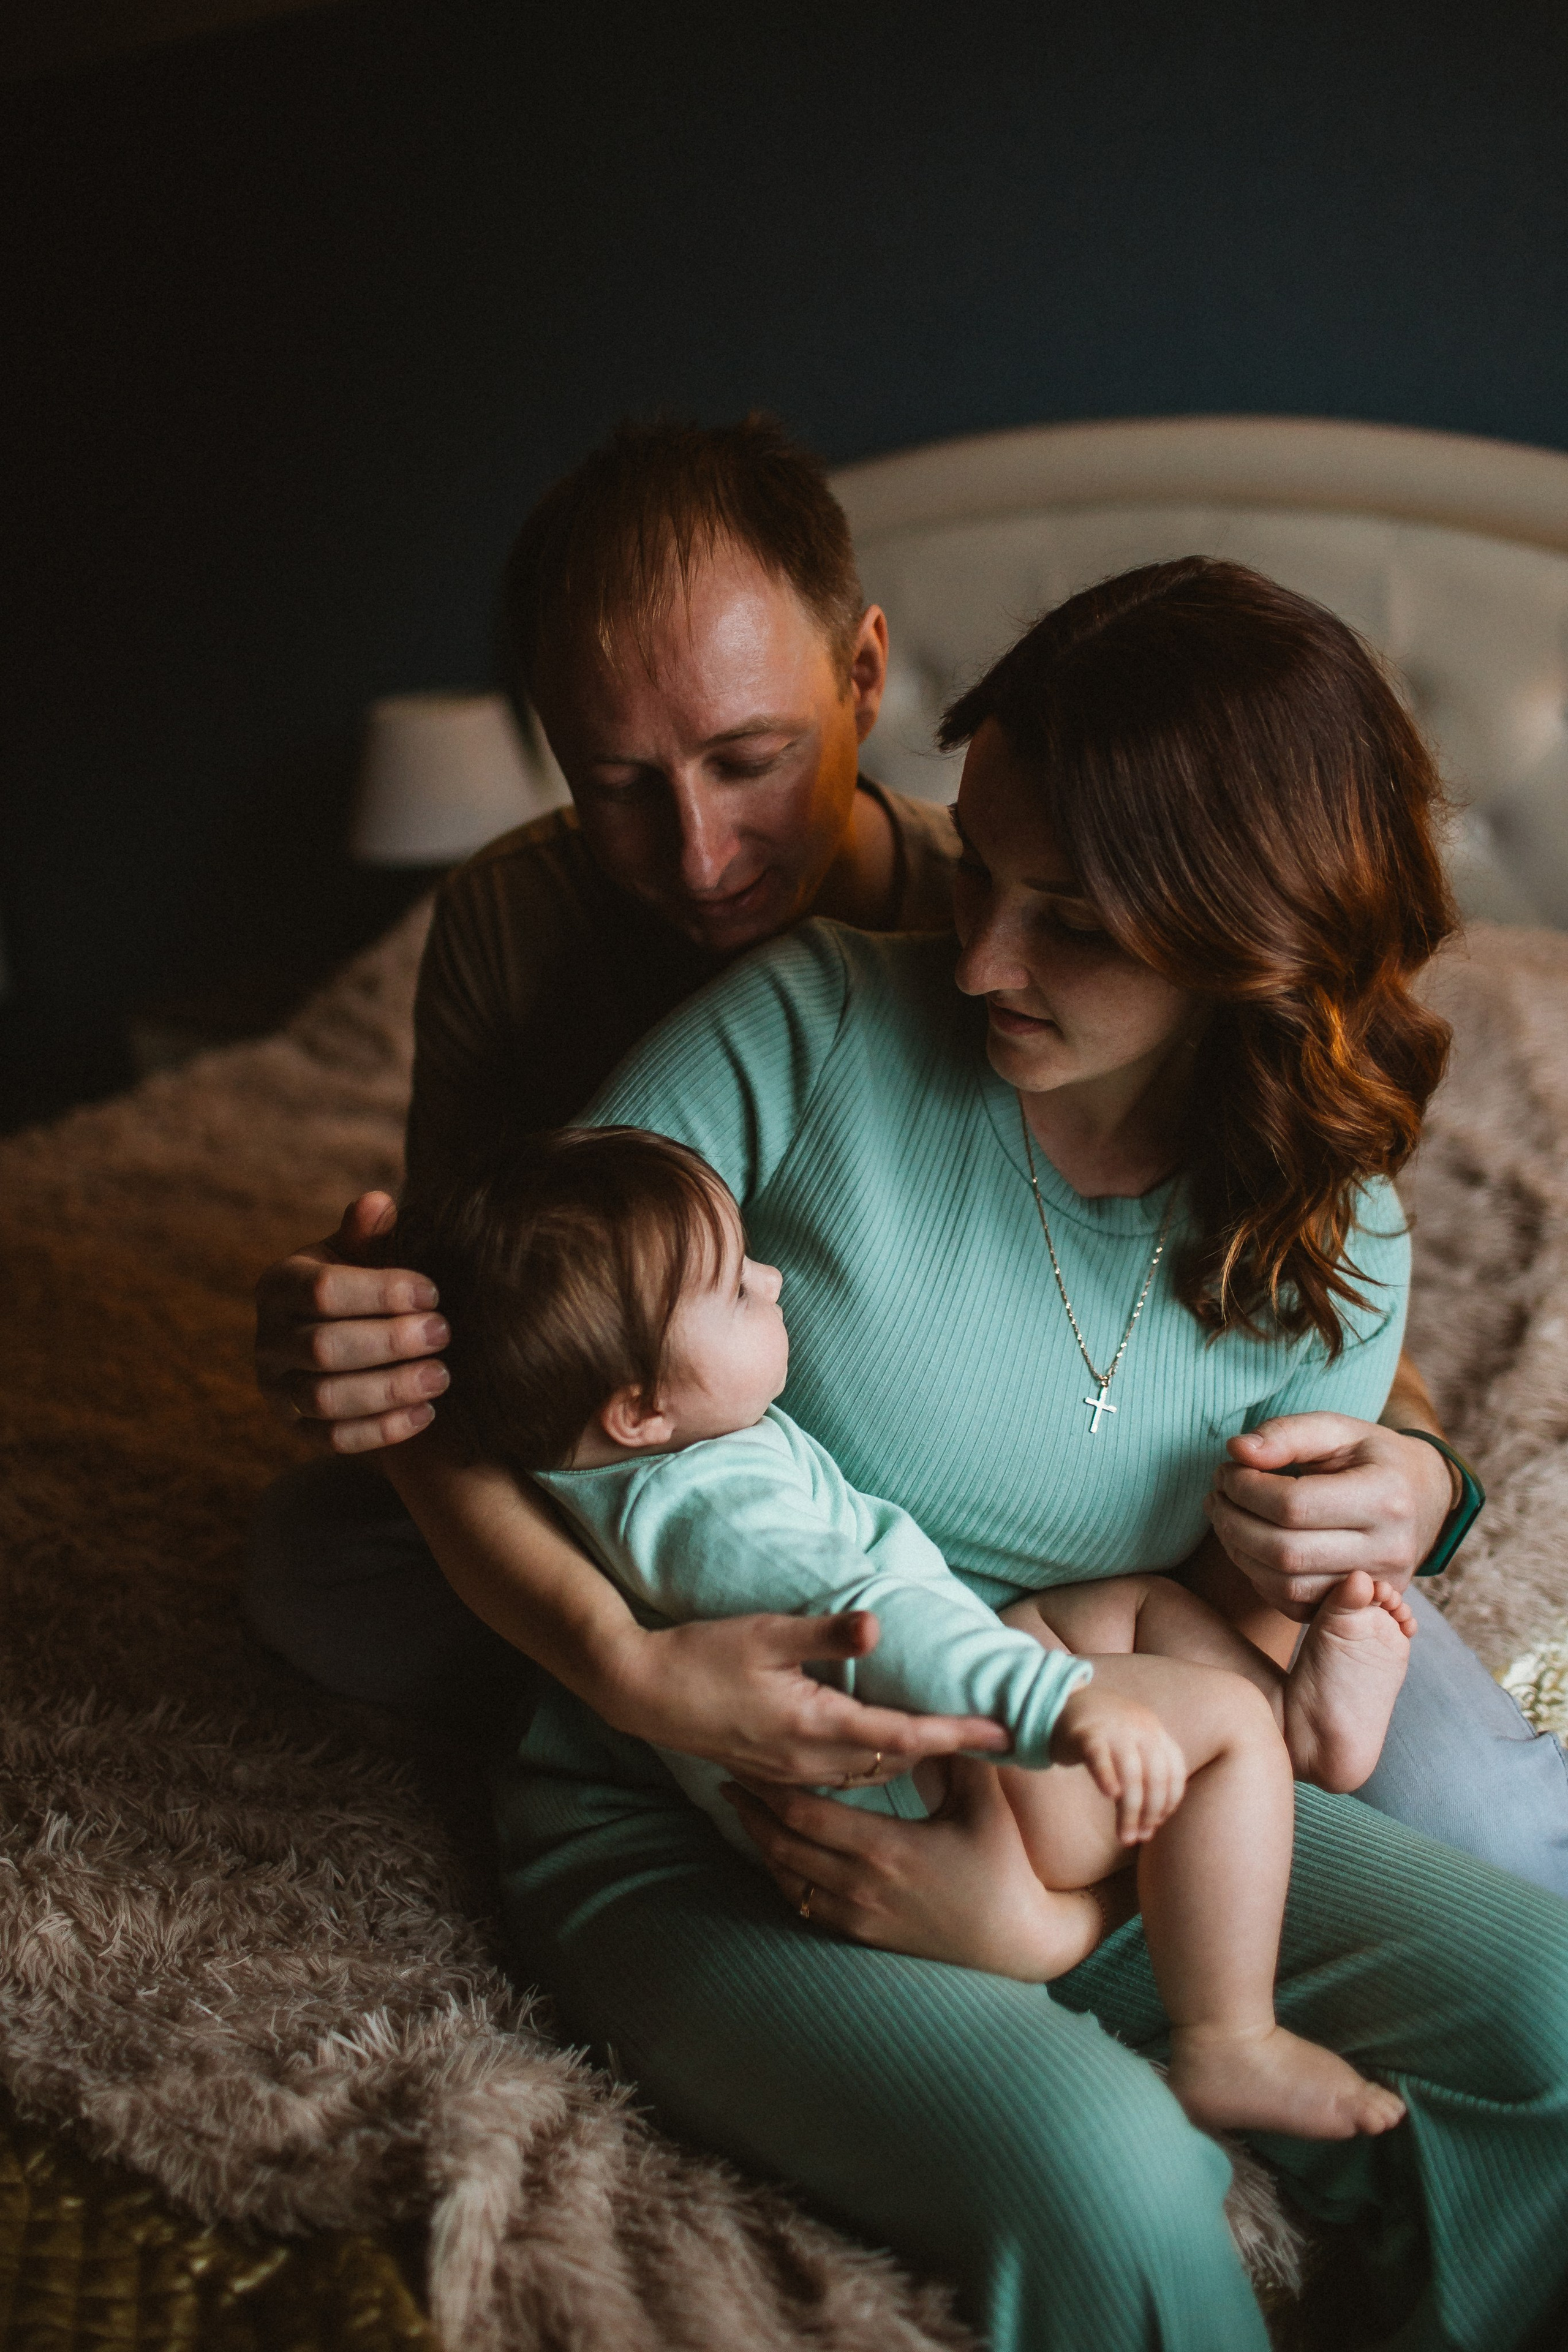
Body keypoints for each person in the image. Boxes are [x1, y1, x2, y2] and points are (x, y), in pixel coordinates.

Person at [305, 554, 1568, 2352]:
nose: (978, 958)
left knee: (1553, 2013)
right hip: (734, 1814)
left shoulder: (1333, 1231)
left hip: (1085, 1792)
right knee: (1110, 2178)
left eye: (1075, 921)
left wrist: (1046, 1916)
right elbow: (485, 1382)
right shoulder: (803, 1025)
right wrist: (626, 1667)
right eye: (979, 868)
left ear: (1248, 941)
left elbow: (1218, 1649)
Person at [250, 415, 1568, 1897]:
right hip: (684, 1455)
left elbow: (1296, 1306)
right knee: (316, 1573)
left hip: (1073, 1540)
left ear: (863, 678)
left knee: (1510, 1784)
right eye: (613, 780)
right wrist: (381, 1362)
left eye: (751, 760)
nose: (696, 852)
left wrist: (1425, 1482)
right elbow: (480, 1349)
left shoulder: (1033, 873)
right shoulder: (522, 928)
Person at [399, 1118, 1417, 2144]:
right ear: (640, 1409)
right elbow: (882, 1625)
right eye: (736, 1290)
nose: (777, 1280)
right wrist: (1055, 1707)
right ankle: (1228, 2038)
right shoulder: (722, 1513)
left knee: (1130, 1608)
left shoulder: (634, 1459)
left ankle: (1305, 1723)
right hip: (936, 1795)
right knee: (1225, 1724)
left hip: (939, 1700)